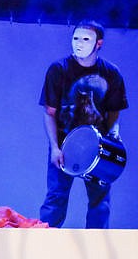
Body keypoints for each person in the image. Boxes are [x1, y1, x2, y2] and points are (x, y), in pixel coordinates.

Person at [38, 20, 129, 229]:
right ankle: (42, 245)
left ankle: (97, 248)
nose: (79, 43)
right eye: (76, 38)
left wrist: (114, 137)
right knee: (55, 198)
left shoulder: (111, 73)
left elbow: (114, 112)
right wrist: (54, 148)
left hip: (99, 146)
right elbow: (49, 113)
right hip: (65, 143)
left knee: (100, 202)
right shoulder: (58, 70)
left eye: (86, 39)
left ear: (99, 43)